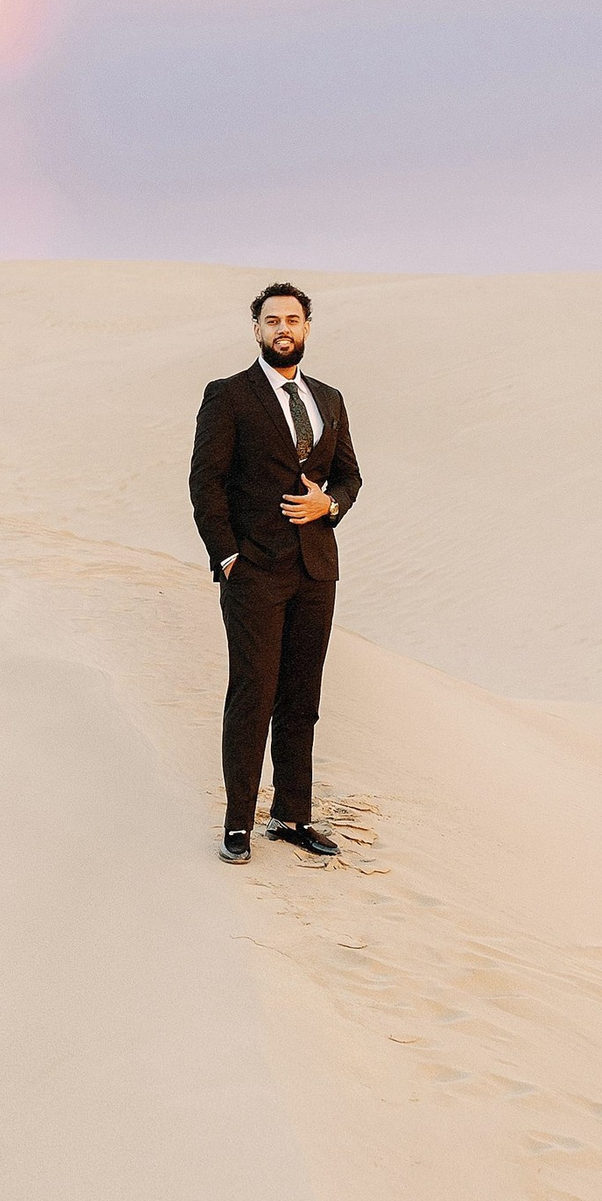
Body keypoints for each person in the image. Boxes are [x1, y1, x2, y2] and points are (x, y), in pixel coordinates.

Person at [188, 283, 363, 863]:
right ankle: (239, 823)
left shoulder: (330, 399)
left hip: (316, 570)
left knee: (301, 697)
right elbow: (206, 483)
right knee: (252, 694)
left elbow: (349, 477)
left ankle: (291, 815)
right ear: (256, 329)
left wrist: (329, 505)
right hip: (255, 570)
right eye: (271, 320)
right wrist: (227, 556)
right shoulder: (229, 396)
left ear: (307, 327)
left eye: (292, 319)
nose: (282, 328)